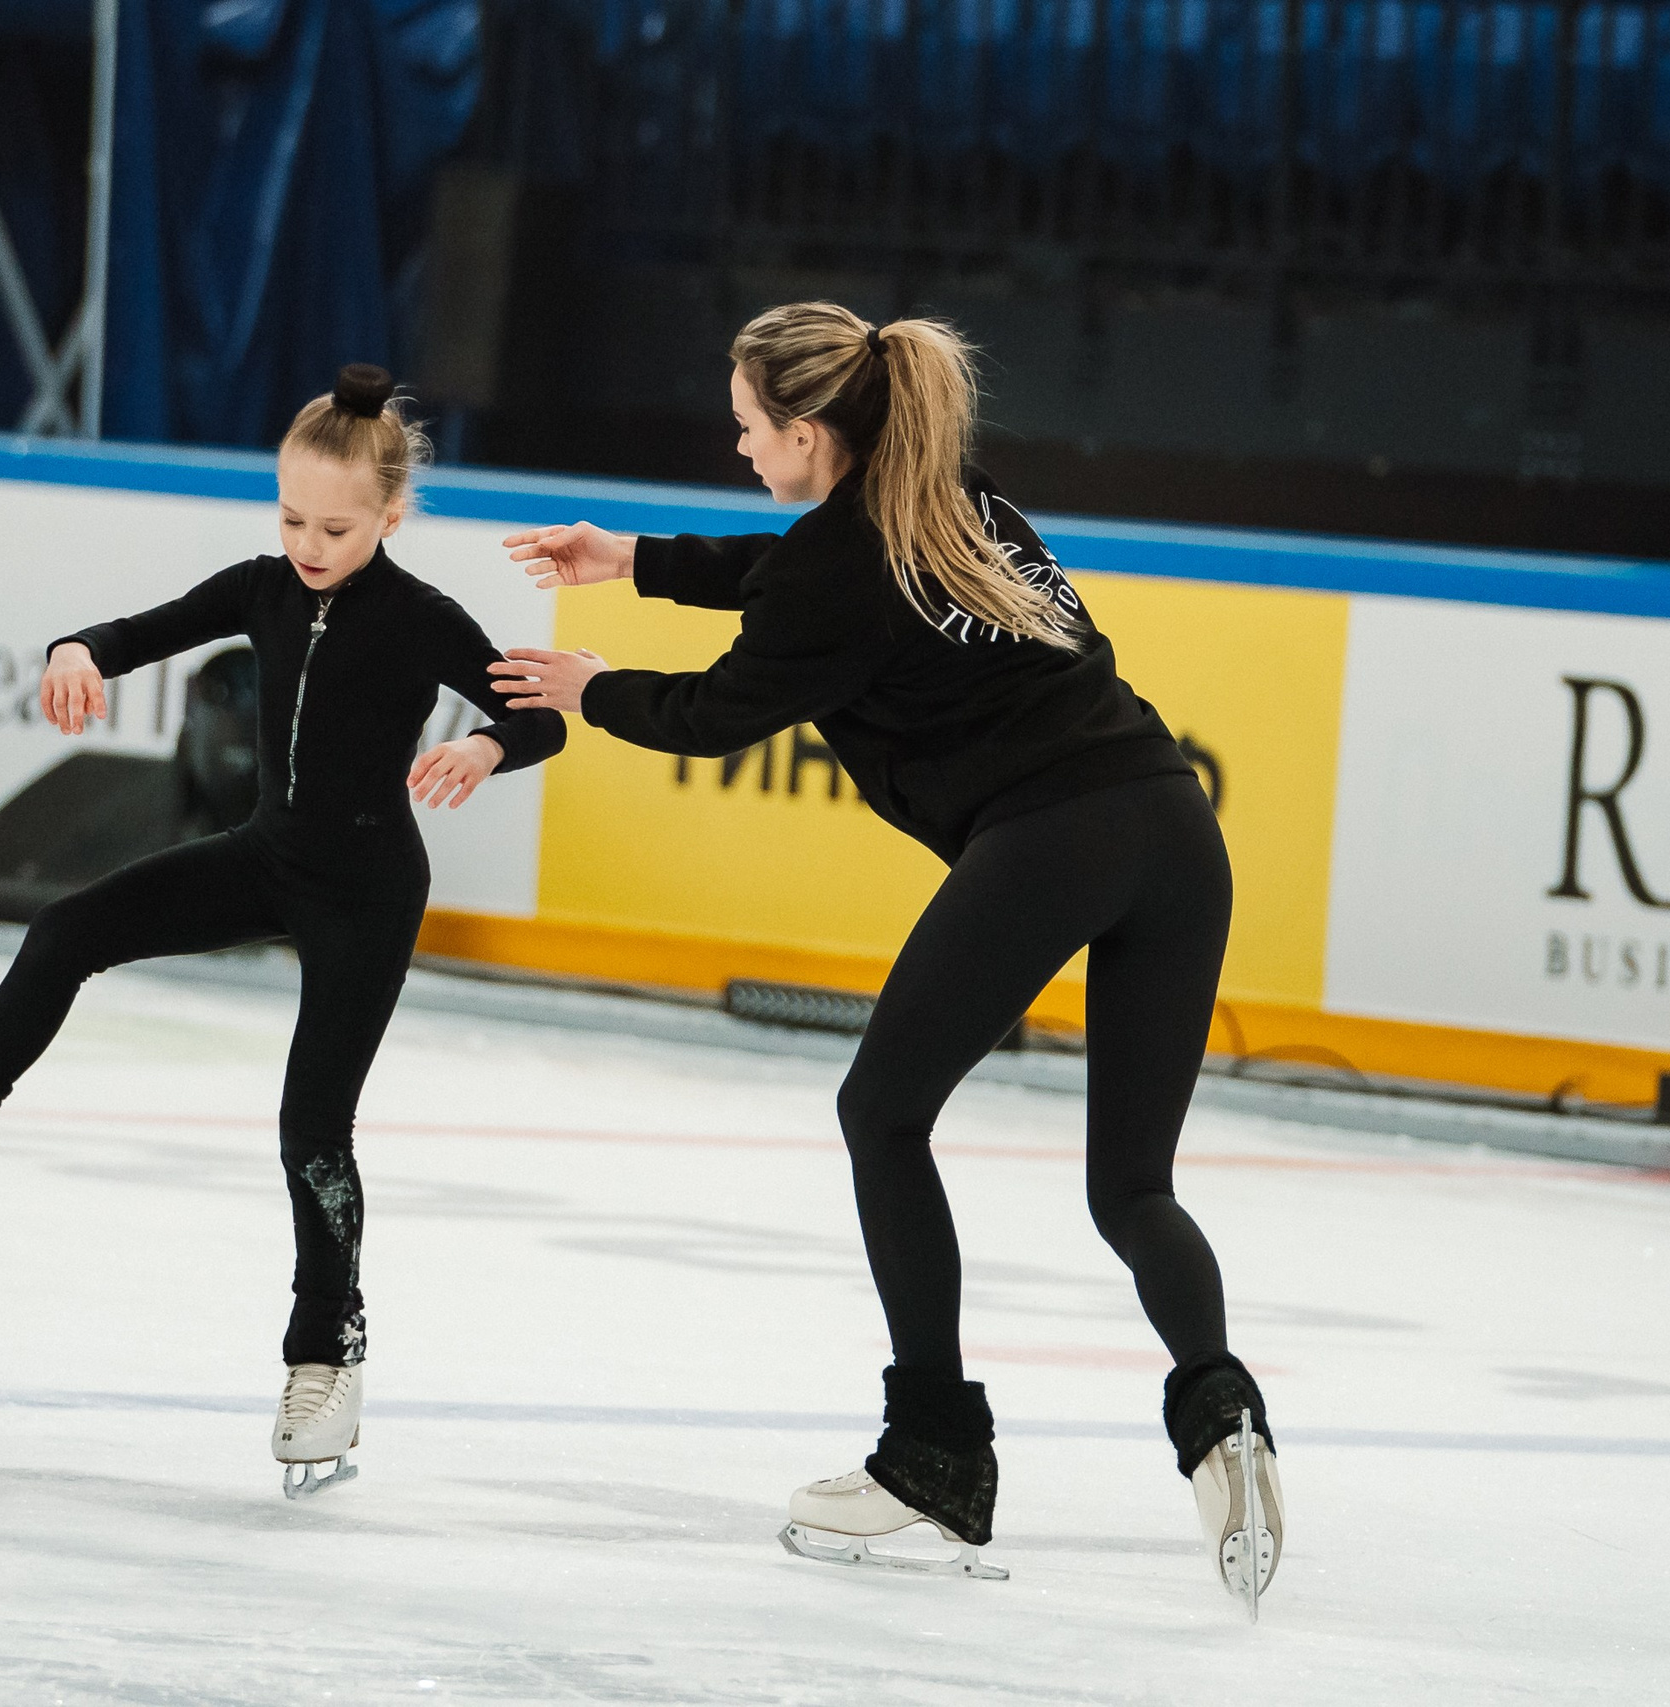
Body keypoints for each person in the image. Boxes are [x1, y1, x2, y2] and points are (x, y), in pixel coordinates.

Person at [491, 302, 1283, 1601]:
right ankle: (1221, 1412)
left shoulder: (843, 562)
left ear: (810, 431)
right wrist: (630, 558)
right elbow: (797, 570)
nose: (737, 443)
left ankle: (934, 1453)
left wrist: (590, 687)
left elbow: (714, 708)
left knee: (881, 1109)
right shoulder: (961, 495)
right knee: (1133, 1187)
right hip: (1178, 832)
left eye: (749, 426)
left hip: (1052, 837)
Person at [0, 365, 567, 1498]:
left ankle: (324, 1352)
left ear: (390, 518)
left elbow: (534, 714)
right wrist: (77, 653)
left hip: (365, 888)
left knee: (312, 1129)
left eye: (335, 525)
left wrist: (486, 746)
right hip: (266, 857)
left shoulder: (422, 618)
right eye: (291, 516)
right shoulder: (260, 586)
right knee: (65, 928)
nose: (307, 540)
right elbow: (136, 631)